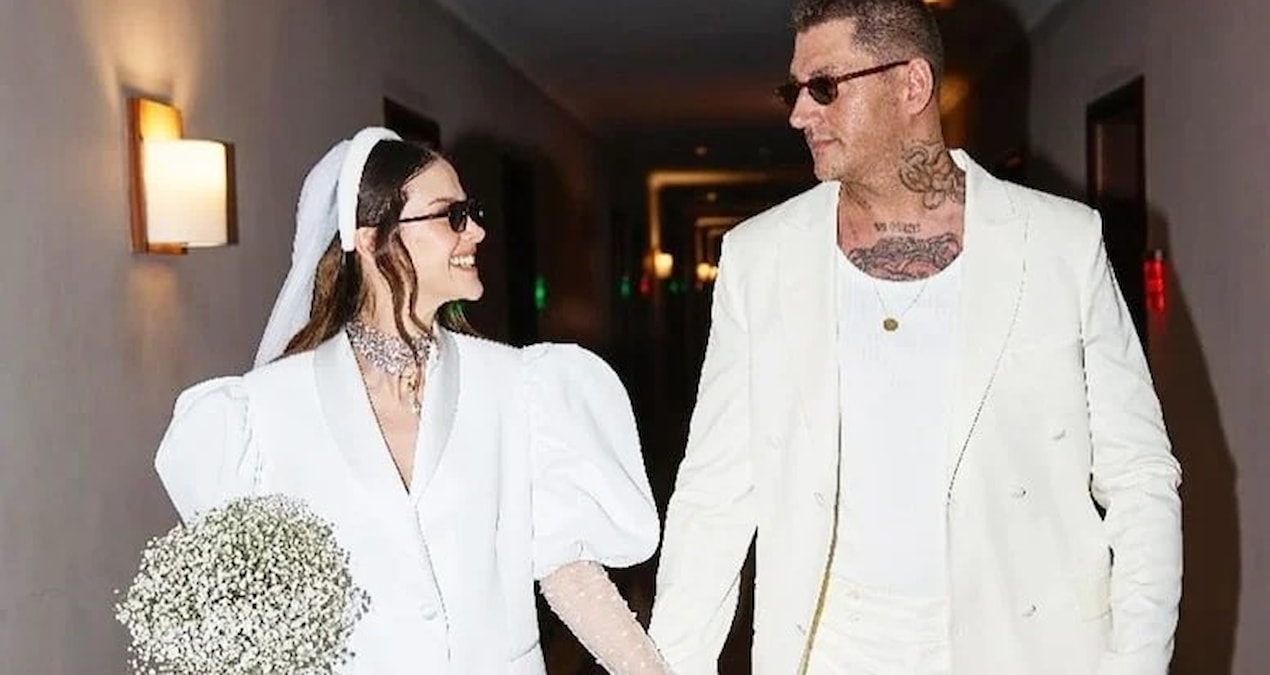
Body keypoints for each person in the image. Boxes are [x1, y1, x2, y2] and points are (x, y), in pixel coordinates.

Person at [647, 1, 1182, 673]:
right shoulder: (760, 259)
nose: (798, 114)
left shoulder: (1058, 244)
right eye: (794, 91)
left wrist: (1135, 662)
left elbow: (1139, 476)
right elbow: (714, 497)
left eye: (824, 87)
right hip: (829, 656)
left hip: (1025, 650)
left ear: (912, 84)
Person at [155, 127, 671, 674]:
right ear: (370, 239)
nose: (477, 231)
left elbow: (568, 571)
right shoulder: (264, 412)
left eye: (472, 212)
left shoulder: (520, 388)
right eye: (452, 216)